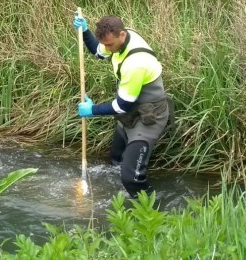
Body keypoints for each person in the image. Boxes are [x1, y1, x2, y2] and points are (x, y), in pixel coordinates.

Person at [74, 13, 174, 200]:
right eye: (104, 44)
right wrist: (85, 31)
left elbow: (122, 105)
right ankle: (118, 196)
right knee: (115, 160)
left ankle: (154, 212)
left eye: (109, 45)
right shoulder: (116, 41)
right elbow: (97, 51)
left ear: (121, 35)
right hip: (129, 113)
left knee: (131, 179)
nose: (106, 49)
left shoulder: (136, 63)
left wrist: (92, 110)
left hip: (149, 117)